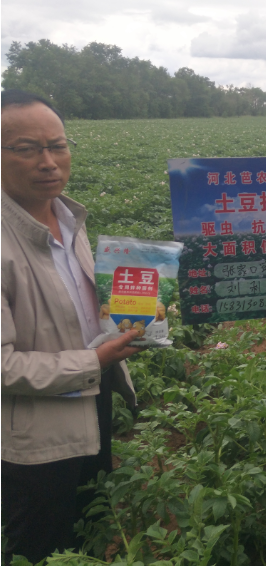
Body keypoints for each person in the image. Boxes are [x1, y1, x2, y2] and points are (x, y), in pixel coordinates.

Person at [1, 90, 143, 562]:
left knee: (90, 525)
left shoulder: (69, 218)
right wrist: (95, 359)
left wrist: (127, 325)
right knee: (44, 545)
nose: (48, 162)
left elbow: (77, 313)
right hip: (33, 439)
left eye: (58, 146)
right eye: (26, 148)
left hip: (92, 399)